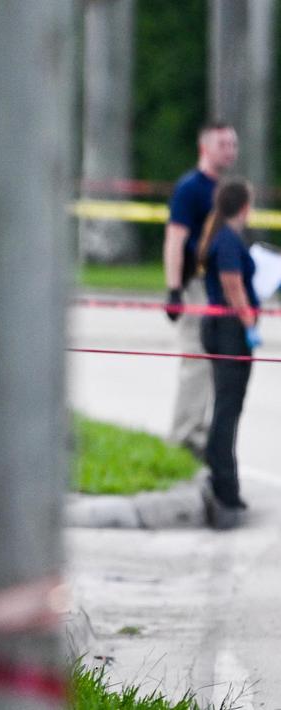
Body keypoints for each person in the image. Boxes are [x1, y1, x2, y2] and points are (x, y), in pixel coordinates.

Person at [163, 122, 239, 456]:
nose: (230, 150)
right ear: (204, 147)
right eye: (223, 143)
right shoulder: (190, 188)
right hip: (195, 285)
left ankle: (198, 429)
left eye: (233, 144)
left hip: (216, 286)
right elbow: (175, 239)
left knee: (211, 362)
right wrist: (174, 289)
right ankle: (183, 436)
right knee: (195, 359)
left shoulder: (223, 189)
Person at [195, 178, 258, 529]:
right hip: (230, 331)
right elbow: (232, 284)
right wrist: (249, 322)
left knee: (228, 404)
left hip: (223, 329)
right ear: (244, 206)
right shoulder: (229, 240)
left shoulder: (223, 236)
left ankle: (225, 479)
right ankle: (223, 485)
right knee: (228, 407)